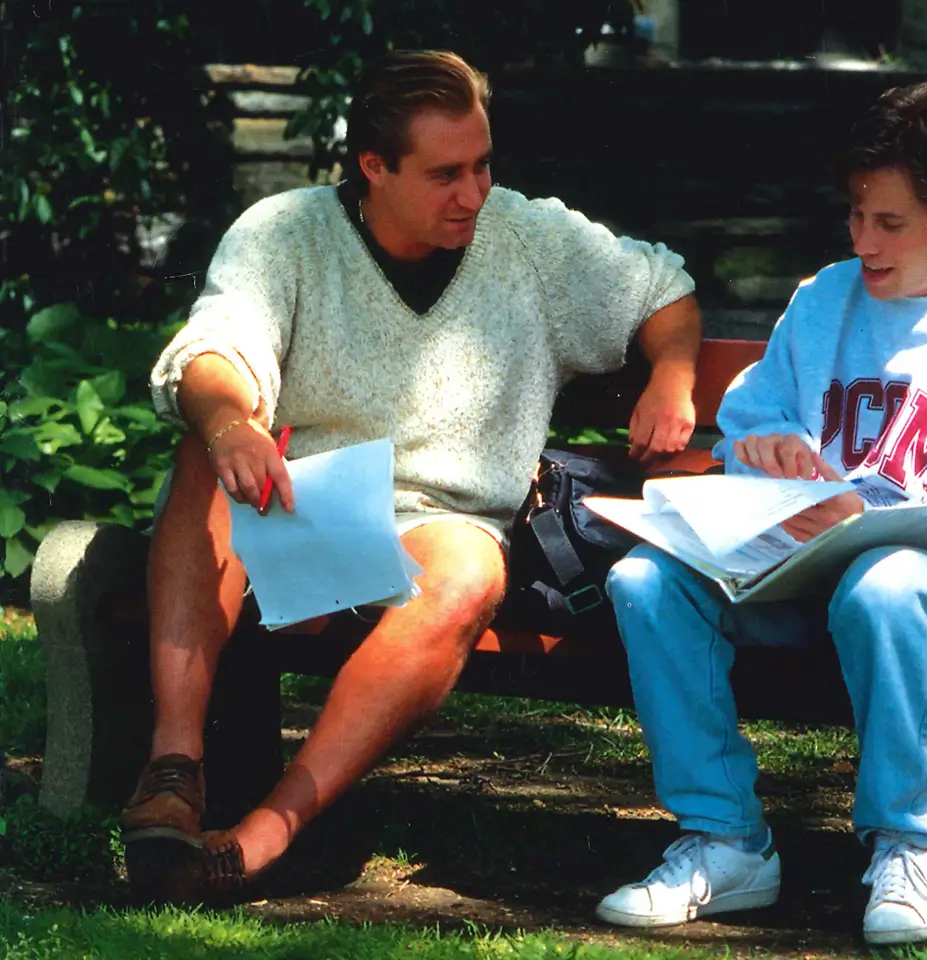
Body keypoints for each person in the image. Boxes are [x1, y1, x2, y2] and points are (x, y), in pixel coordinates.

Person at [122, 49, 701, 902]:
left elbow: (662, 287)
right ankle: (175, 768)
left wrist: (672, 376)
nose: (473, 193)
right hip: (304, 510)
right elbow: (217, 347)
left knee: (469, 572)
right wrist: (231, 422)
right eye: (445, 174)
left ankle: (269, 831)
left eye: (483, 165)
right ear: (374, 168)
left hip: (443, 526)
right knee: (201, 454)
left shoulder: (527, 237)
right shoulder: (288, 232)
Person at [596, 82, 927, 945]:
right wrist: (773, 451)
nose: (863, 241)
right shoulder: (826, 298)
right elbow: (755, 417)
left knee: (887, 581)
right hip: (806, 582)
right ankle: (725, 842)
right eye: (857, 214)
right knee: (645, 580)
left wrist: (875, 520)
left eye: (890, 223)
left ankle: (905, 847)